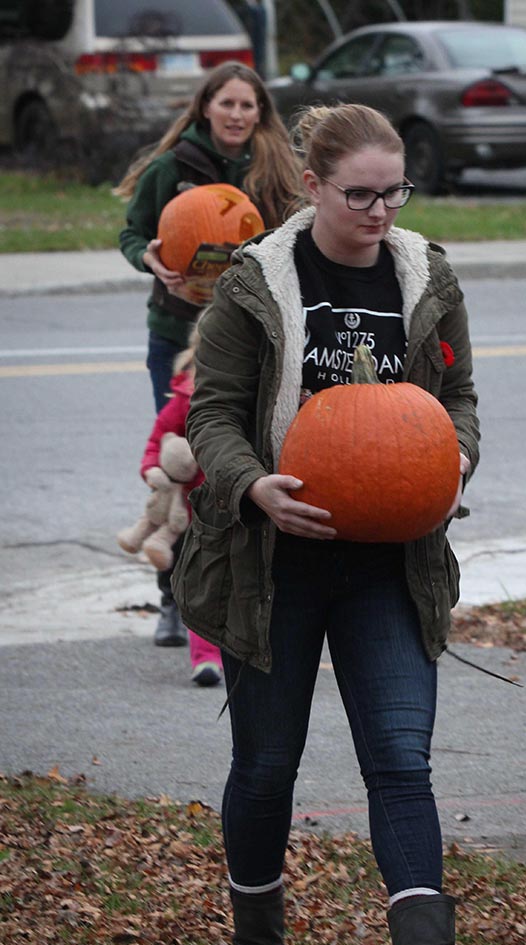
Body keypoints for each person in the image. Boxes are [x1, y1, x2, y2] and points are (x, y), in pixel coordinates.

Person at [173, 103, 503, 945]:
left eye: (393, 192)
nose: (379, 212)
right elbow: (213, 416)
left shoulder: (426, 276)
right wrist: (253, 487)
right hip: (273, 561)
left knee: (400, 760)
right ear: (312, 186)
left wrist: (454, 457)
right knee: (266, 764)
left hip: (391, 561)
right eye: (358, 194)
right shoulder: (255, 284)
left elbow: (460, 396)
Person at [115, 60, 301, 647]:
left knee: (242, 467)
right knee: (182, 465)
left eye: (249, 106)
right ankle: (175, 598)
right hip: (178, 339)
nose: (239, 115)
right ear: (205, 108)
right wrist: (150, 260)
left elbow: (297, 238)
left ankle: (242, 596)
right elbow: (131, 232)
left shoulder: (276, 169)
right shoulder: (172, 168)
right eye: (228, 104)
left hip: (250, 339)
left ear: (260, 113)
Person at [138, 340, 223, 688]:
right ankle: (206, 658)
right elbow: (156, 442)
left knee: (228, 584)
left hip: (234, 504)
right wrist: (152, 472)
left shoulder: (251, 393)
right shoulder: (182, 403)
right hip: (191, 509)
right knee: (203, 582)